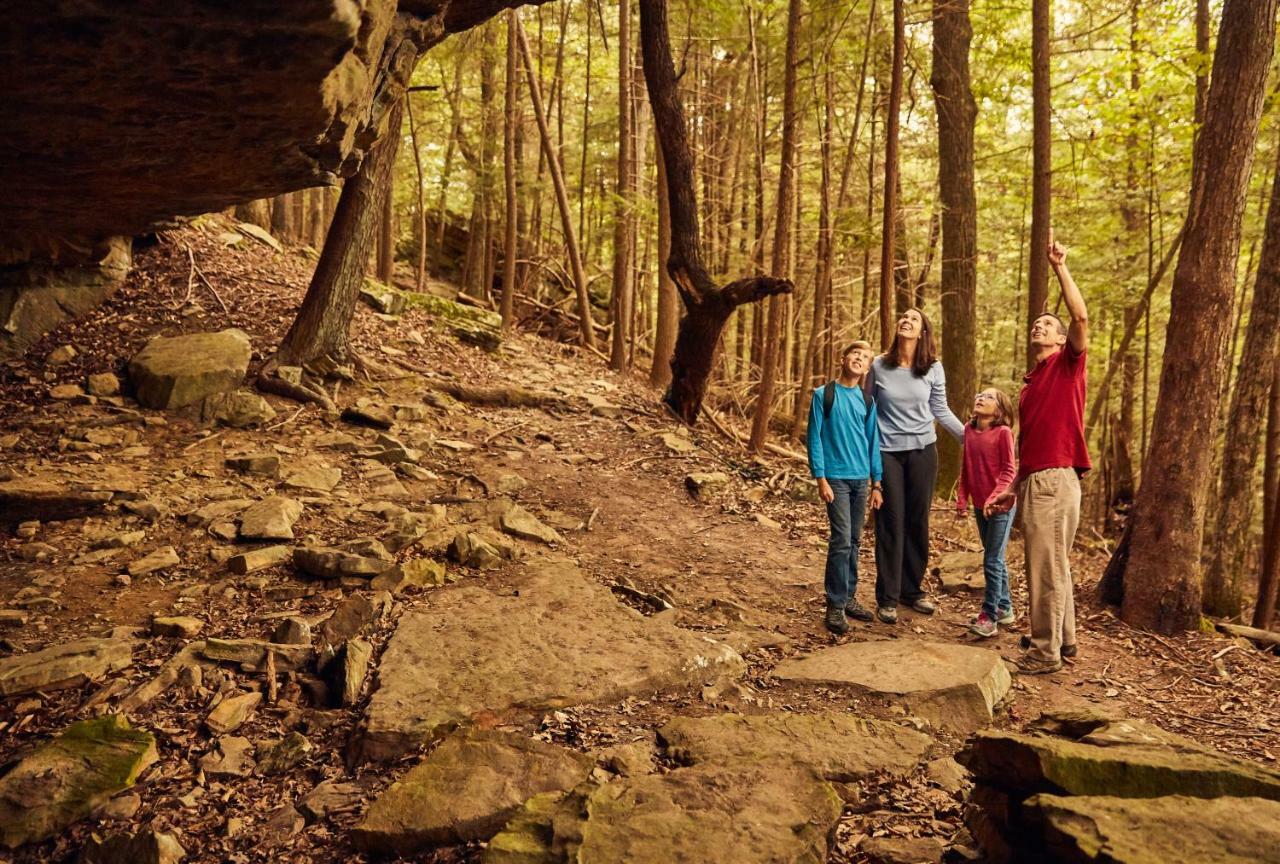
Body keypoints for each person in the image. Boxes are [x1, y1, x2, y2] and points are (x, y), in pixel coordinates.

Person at [990, 231, 1090, 674]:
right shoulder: (1031, 386)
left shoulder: (1067, 365)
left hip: (1056, 479)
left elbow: (1081, 316)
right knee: (1055, 564)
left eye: (1048, 324)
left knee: (1045, 569)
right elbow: (1030, 444)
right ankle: (1063, 642)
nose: (1040, 326)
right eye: (1036, 323)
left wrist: (1059, 267)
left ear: (1062, 338)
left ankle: (1044, 653)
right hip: (1037, 480)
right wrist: (1014, 486)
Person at [869, 308, 965, 624]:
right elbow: (865, 409)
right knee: (891, 521)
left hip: (924, 452)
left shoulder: (933, 368)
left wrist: (971, 438)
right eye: (904, 317)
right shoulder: (879, 366)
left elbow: (940, 409)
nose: (907, 320)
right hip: (887, 453)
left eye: (914, 318)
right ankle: (888, 596)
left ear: (923, 331)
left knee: (917, 521)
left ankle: (912, 590)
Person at [807, 341, 884, 635]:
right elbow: (814, 437)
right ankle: (835, 604)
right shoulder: (823, 395)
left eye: (865, 358)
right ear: (843, 359)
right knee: (840, 540)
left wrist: (876, 483)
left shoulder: (867, 402)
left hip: (861, 481)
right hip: (835, 479)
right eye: (855, 354)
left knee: (854, 541)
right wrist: (821, 478)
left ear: (867, 369)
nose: (859, 359)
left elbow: (872, 443)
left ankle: (849, 596)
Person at [956, 387, 1018, 638]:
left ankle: (989, 616)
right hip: (980, 506)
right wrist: (962, 499)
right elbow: (966, 468)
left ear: (1000, 410)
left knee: (992, 560)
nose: (981, 398)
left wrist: (996, 497)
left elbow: (1009, 472)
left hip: (1001, 507)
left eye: (989, 397)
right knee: (995, 558)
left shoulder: (1003, 433)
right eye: (979, 394)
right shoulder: (968, 430)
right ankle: (1004, 608)